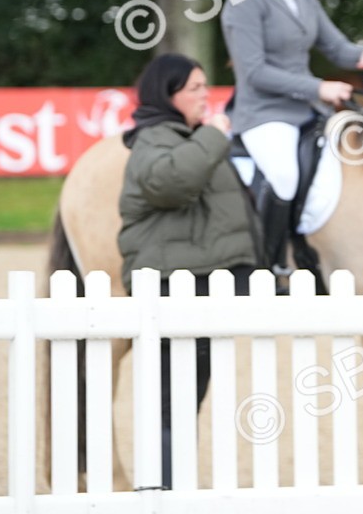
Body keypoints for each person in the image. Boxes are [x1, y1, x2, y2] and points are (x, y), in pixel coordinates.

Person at [117, 53, 261, 489]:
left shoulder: (186, 135)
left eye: (205, 86)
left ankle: (170, 489)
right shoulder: (154, 139)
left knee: (185, 398)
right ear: (169, 93)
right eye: (195, 88)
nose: (205, 95)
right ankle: (161, 492)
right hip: (170, 286)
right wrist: (215, 137)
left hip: (197, 283)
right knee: (169, 402)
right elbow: (170, 183)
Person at [220, 0, 363, 276]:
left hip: (308, 110)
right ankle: (271, 265)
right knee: (284, 175)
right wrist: (319, 86)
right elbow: (254, 72)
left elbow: (335, 47)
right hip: (263, 113)